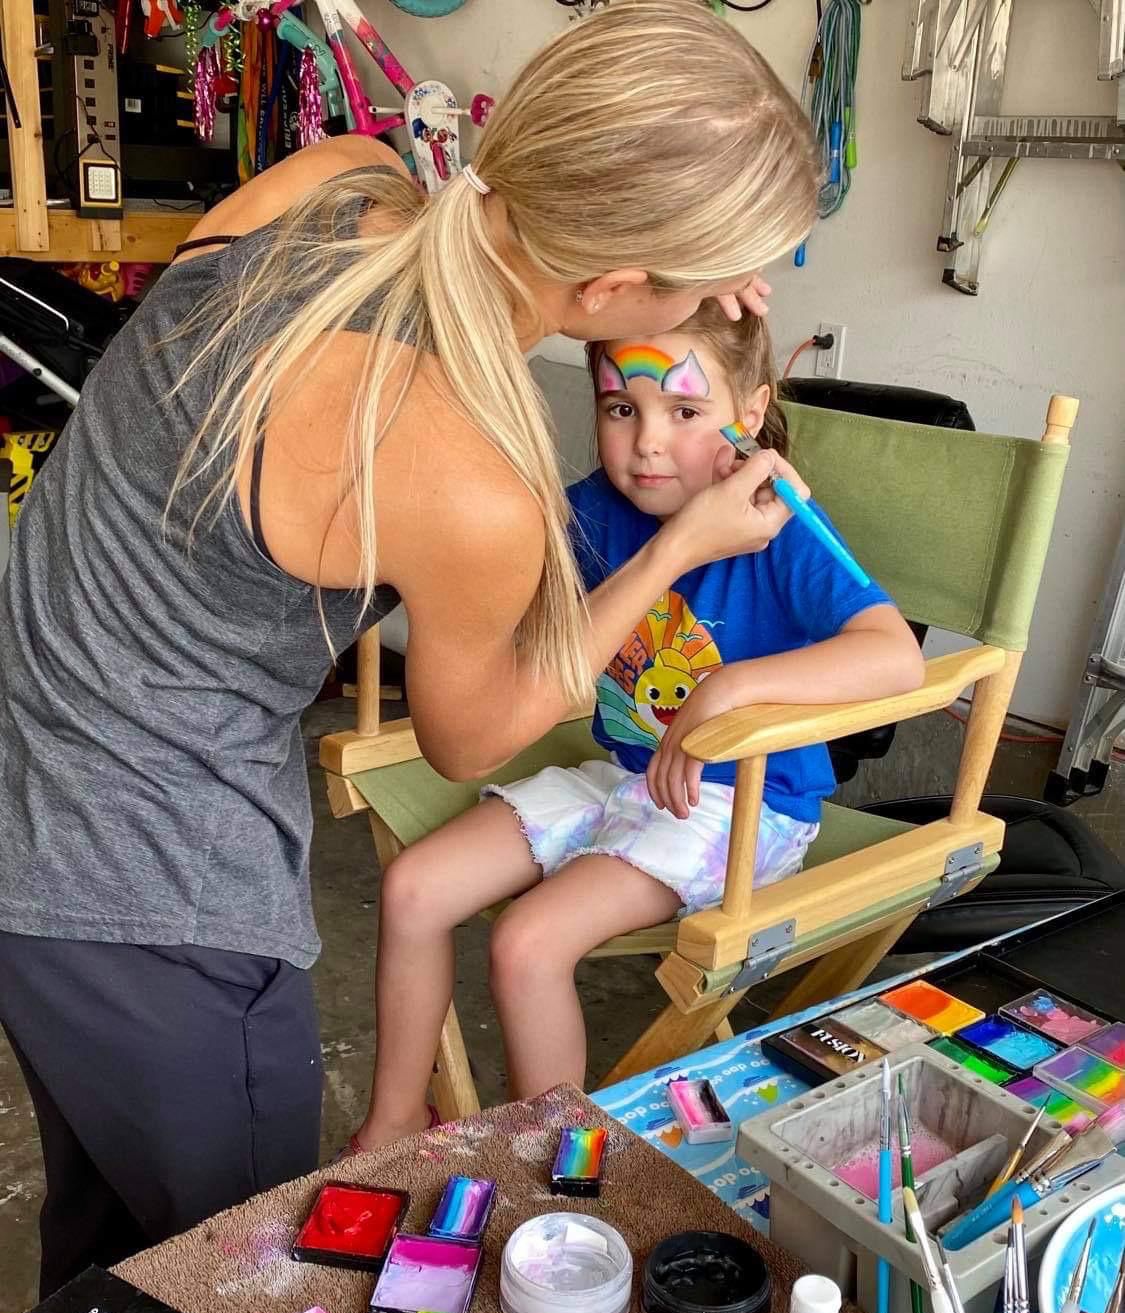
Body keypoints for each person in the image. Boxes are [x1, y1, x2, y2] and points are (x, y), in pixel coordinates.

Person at [0, 0, 823, 1298]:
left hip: (23, 805)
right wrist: (674, 551)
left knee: (107, 1261)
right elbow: (473, 735)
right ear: (610, 292)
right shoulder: (463, 469)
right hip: (152, 891)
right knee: (245, 1284)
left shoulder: (341, 185)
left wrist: (666, 269)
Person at [352, 304, 925, 1150]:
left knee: (527, 942)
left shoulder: (780, 526)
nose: (647, 442)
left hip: (742, 809)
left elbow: (895, 659)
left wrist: (726, 689)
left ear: (750, 414)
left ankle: (559, 1164)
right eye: (621, 408)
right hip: (619, 773)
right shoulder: (593, 511)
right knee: (412, 889)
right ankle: (395, 1123)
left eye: (684, 412)